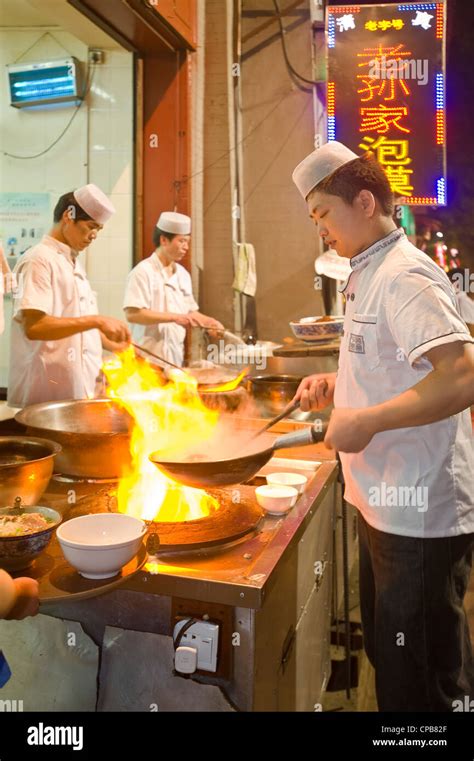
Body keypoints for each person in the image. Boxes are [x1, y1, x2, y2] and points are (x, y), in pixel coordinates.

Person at [292, 141, 474, 712]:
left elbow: (462, 375)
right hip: (384, 504)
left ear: (365, 201)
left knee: (419, 683)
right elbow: (393, 364)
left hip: (418, 512)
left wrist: (365, 420)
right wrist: (336, 385)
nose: (320, 230)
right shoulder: (366, 270)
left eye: (323, 215)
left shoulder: (404, 274)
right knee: (393, 662)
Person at [7, 184, 131, 408]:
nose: (93, 235)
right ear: (68, 216)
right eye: (91, 226)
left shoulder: (70, 261)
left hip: (76, 389)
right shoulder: (38, 260)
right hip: (45, 393)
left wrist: (112, 346)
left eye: (99, 230)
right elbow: (34, 327)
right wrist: (97, 321)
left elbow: (73, 323)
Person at [124, 211, 223, 367]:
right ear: (164, 240)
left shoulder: (183, 274)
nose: (186, 247)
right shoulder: (143, 272)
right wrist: (174, 317)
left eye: (188, 242)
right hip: (146, 360)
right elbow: (133, 314)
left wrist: (209, 322)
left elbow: (189, 312)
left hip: (174, 359)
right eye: (182, 241)